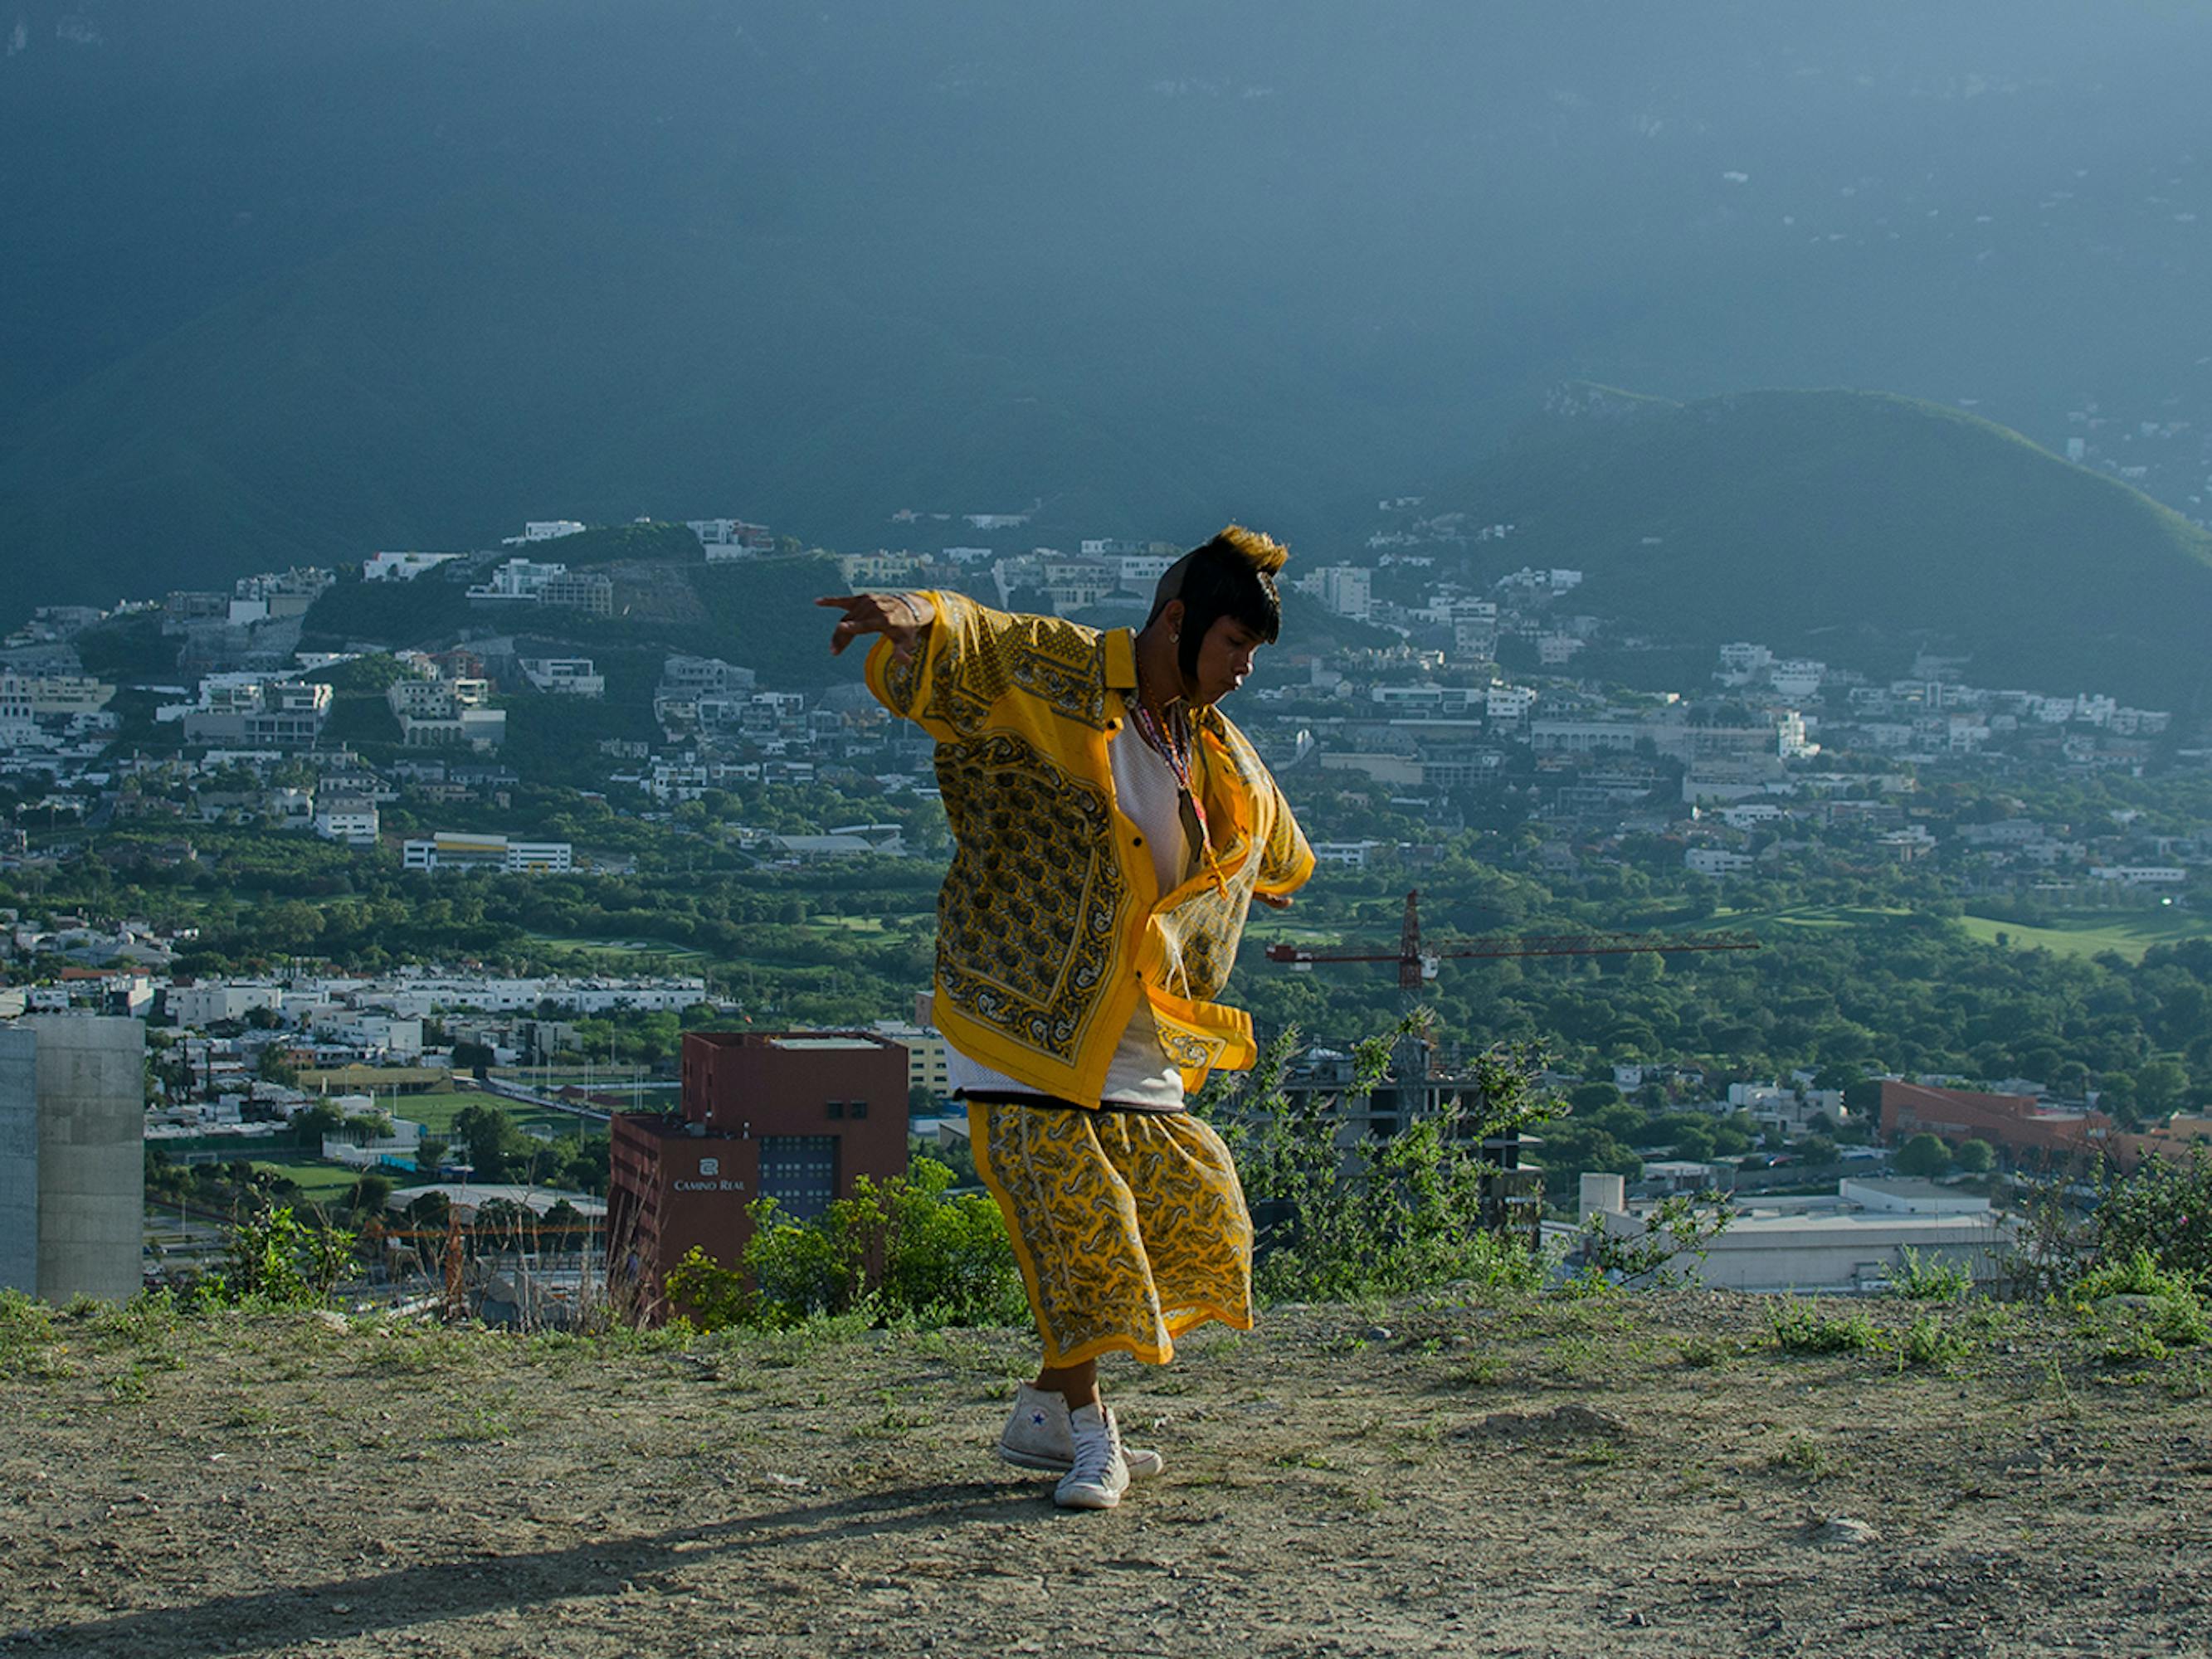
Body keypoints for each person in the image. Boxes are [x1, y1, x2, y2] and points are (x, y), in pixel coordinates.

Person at [817, 526, 1314, 1510]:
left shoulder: (1216, 752)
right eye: (1232, 647)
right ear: (1175, 622)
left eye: (1253, 655)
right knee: (1079, 1222)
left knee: (1200, 1209)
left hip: (1130, 1027)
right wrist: (917, 615)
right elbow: (975, 633)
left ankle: (1044, 1409)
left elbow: (1276, 846)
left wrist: (1251, 872)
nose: (1243, 672)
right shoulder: (1059, 671)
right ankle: (1092, 1436)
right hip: (1018, 1000)